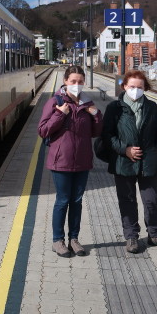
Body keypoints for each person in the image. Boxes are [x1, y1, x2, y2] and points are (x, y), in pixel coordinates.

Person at [100, 70, 157, 254]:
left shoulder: (152, 107)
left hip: (148, 162)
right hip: (123, 162)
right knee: (127, 200)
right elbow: (107, 135)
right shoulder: (114, 108)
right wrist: (125, 150)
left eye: (139, 87)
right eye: (131, 86)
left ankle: (155, 234)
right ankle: (131, 236)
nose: (135, 90)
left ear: (145, 88)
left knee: (152, 199)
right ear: (124, 86)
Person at [38, 65, 103, 257]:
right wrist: (60, 114)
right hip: (61, 161)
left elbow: (96, 133)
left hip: (82, 160)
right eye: (73, 81)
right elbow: (42, 130)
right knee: (63, 200)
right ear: (65, 81)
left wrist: (96, 115)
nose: (76, 85)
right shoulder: (55, 102)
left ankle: (74, 239)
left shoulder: (87, 104)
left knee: (77, 201)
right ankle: (57, 241)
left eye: (80, 81)